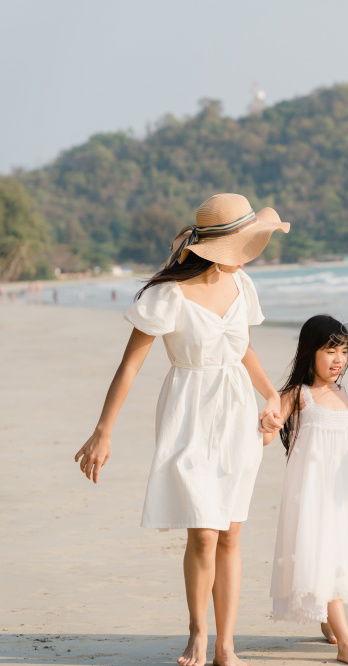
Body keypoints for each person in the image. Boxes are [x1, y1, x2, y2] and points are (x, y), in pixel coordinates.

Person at [73, 193, 290, 666]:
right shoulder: (165, 294)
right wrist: (103, 431)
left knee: (231, 532)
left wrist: (272, 396)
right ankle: (197, 633)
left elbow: (243, 350)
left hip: (236, 413)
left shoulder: (244, 285)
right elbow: (129, 366)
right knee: (204, 533)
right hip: (188, 411)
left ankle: (226, 645)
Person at [265, 314, 348, 665]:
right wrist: (267, 423)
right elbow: (269, 433)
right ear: (309, 352)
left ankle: (327, 617)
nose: (338, 360)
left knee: (336, 555)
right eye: (330, 351)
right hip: (310, 493)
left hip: (341, 494)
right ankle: (345, 642)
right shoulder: (298, 395)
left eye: (344, 351)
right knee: (322, 555)